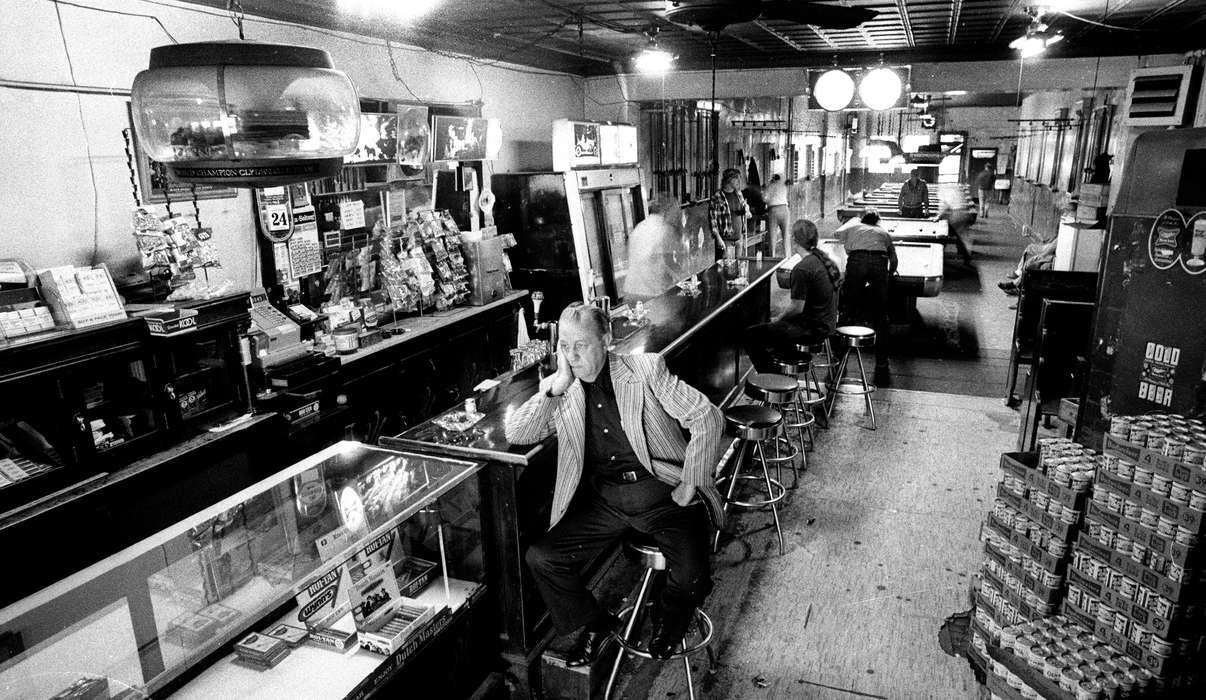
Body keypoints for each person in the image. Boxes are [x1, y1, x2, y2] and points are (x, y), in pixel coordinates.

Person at [505, 304, 724, 666]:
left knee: (690, 574)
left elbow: (707, 416)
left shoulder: (645, 369)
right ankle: (597, 624)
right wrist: (557, 387)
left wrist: (689, 483)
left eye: (582, 345)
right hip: (605, 499)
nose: (572, 356)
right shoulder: (563, 387)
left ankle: (667, 626)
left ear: (606, 340)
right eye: (564, 346)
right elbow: (518, 432)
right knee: (542, 559)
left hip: (661, 492)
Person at [743, 219, 841, 373]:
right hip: (826, 325)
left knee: (750, 335)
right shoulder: (822, 260)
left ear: (794, 240)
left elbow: (796, 308)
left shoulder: (802, 269)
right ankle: (786, 374)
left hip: (812, 329)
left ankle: (773, 381)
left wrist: (778, 318)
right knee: (775, 333)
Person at [838, 210, 897, 385]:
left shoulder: (854, 228)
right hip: (879, 261)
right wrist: (890, 274)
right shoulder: (883, 232)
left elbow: (849, 251)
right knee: (881, 314)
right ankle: (881, 362)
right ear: (877, 222)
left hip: (857, 260)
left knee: (848, 310)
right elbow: (893, 259)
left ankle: (840, 357)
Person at [625, 196, 686, 298]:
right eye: (675, 210)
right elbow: (669, 263)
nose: (677, 215)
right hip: (650, 293)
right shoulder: (664, 228)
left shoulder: (640, 226)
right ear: (667, 210)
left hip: (630, 291)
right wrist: (684, 279)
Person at [998, 231, 1058, 296]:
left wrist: (1043, 255)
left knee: (1034, 262)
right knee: (1032, 258)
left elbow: (1052, 246)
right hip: (1053, 251)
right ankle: (1018, 281)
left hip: (1055, 256)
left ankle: (1017, 284)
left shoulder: (1067, 233)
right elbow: (1052, 241)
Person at [708, 169, 747, 259]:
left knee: (739, 267)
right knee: (726, 270)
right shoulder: (717, 197)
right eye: (737, 179)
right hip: (725, 240)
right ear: (730, 180)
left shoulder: (738, 193)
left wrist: (746, 209)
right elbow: (713, 220)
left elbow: (744, 207)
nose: (739, 181)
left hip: (739, 238)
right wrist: (718, 238)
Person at [764, 174, 790, 257]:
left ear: (773, 179)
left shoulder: (770, 186)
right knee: (786, 234)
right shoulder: (783, 186)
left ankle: (773, 256)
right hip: (785, 209)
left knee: (772, 235)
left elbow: (765, 199)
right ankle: (787, 256)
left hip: (774, 210)